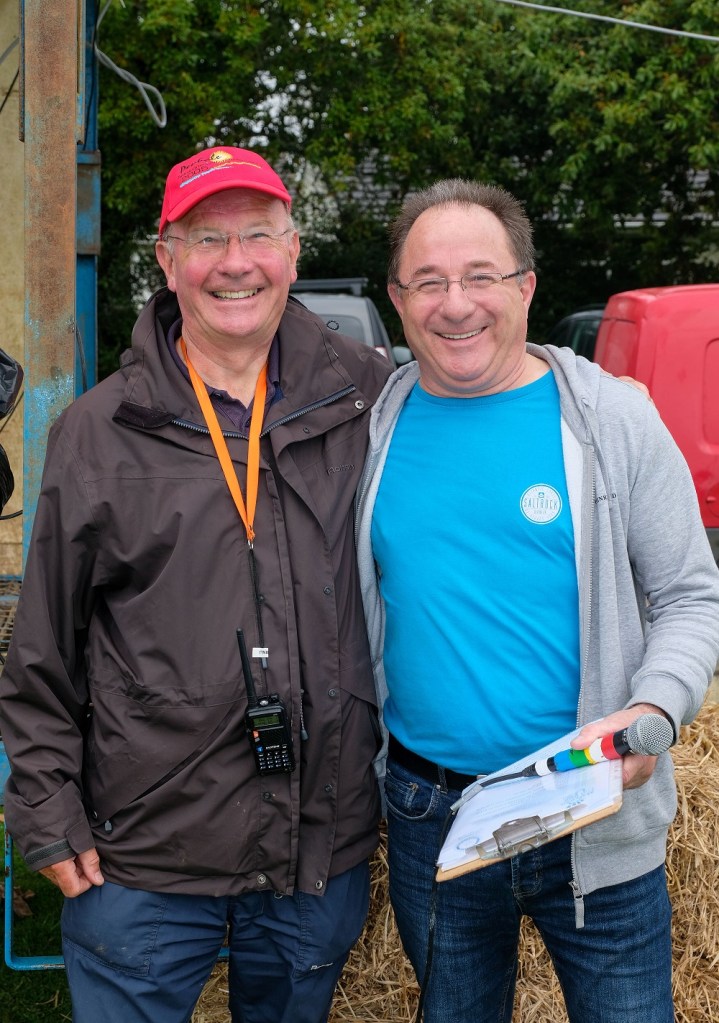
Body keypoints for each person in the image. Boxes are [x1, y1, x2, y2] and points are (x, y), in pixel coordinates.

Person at [0, 146, 392, 1023]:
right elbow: (43, 650)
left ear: (293, 249)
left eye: (258, 234)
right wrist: (47, 810)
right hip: (142, 855)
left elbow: (489, 383)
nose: (235, 261)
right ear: (167, 259)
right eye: (207, 238)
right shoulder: (100, 430)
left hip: (314, 849)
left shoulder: (370, 399)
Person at [355, 179, 719, 1023]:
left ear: (525, 285)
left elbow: (689, 593)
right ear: (397, 300)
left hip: (594, 803)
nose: (456, 304)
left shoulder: (612, 420)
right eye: (428, 282)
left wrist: (653, 712)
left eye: (480, 276)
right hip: (430, 811)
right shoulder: (373, 424)